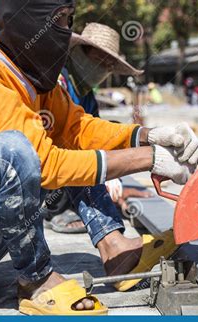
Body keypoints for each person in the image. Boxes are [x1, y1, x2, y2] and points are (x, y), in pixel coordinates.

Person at [0, 0, 198, 315]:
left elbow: (78, 129)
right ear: (28, 19)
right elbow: (44, 165)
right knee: (13, 149)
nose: (66, 31)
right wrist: (148, 158)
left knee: (62, 143)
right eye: (60, 19)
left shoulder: (34, 79)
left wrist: (149, 136)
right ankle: (37, 278)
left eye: (70, 20)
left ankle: (115, 247)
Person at [45, 23, 151, 234]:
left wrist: (115, 179)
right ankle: (56, 210)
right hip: (51, 176)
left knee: (114, 131)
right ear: (79, 53)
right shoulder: (58, 85)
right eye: (99, 59)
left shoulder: (87, 95)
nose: (104, 67)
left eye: (109, 63)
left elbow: (100, 138)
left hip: (76, 171)